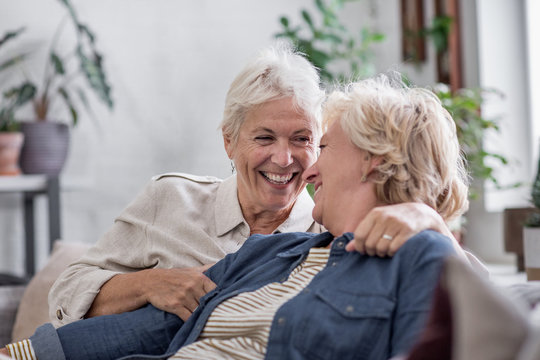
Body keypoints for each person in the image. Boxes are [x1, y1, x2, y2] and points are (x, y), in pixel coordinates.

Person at [3, 72, 468, 360]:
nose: (298, 164)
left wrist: (429, 222)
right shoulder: (276, 250)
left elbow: (471, 314)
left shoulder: (414, 255)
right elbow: (146, 329)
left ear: (373, 160)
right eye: (264, 138)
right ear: (230, 142)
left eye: (313, 143)